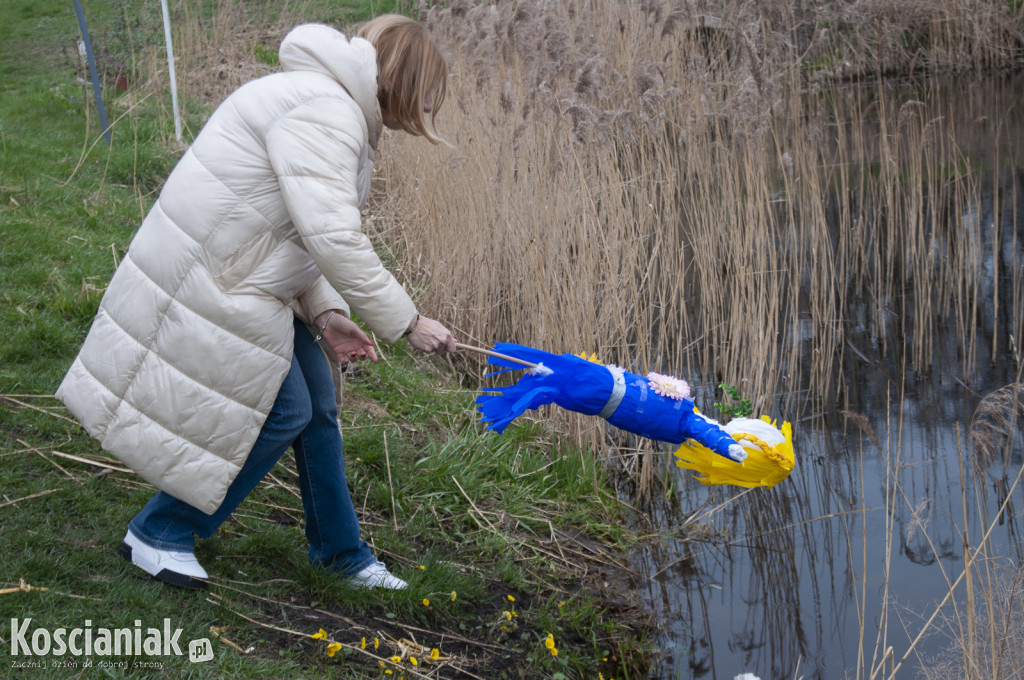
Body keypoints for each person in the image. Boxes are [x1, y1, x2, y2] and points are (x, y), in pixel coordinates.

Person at [56, 14, 457, 591]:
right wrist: (409, 322)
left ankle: (342, 554)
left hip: (239, 271)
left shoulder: (324, 101)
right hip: (218, 277)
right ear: (405, 83)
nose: (422, 113)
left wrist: (324, 313)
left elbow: (296, 229)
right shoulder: (331, 114)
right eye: (425, 96)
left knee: (317, 402)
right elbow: (333, 238)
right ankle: (160, 529)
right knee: (285, 408)